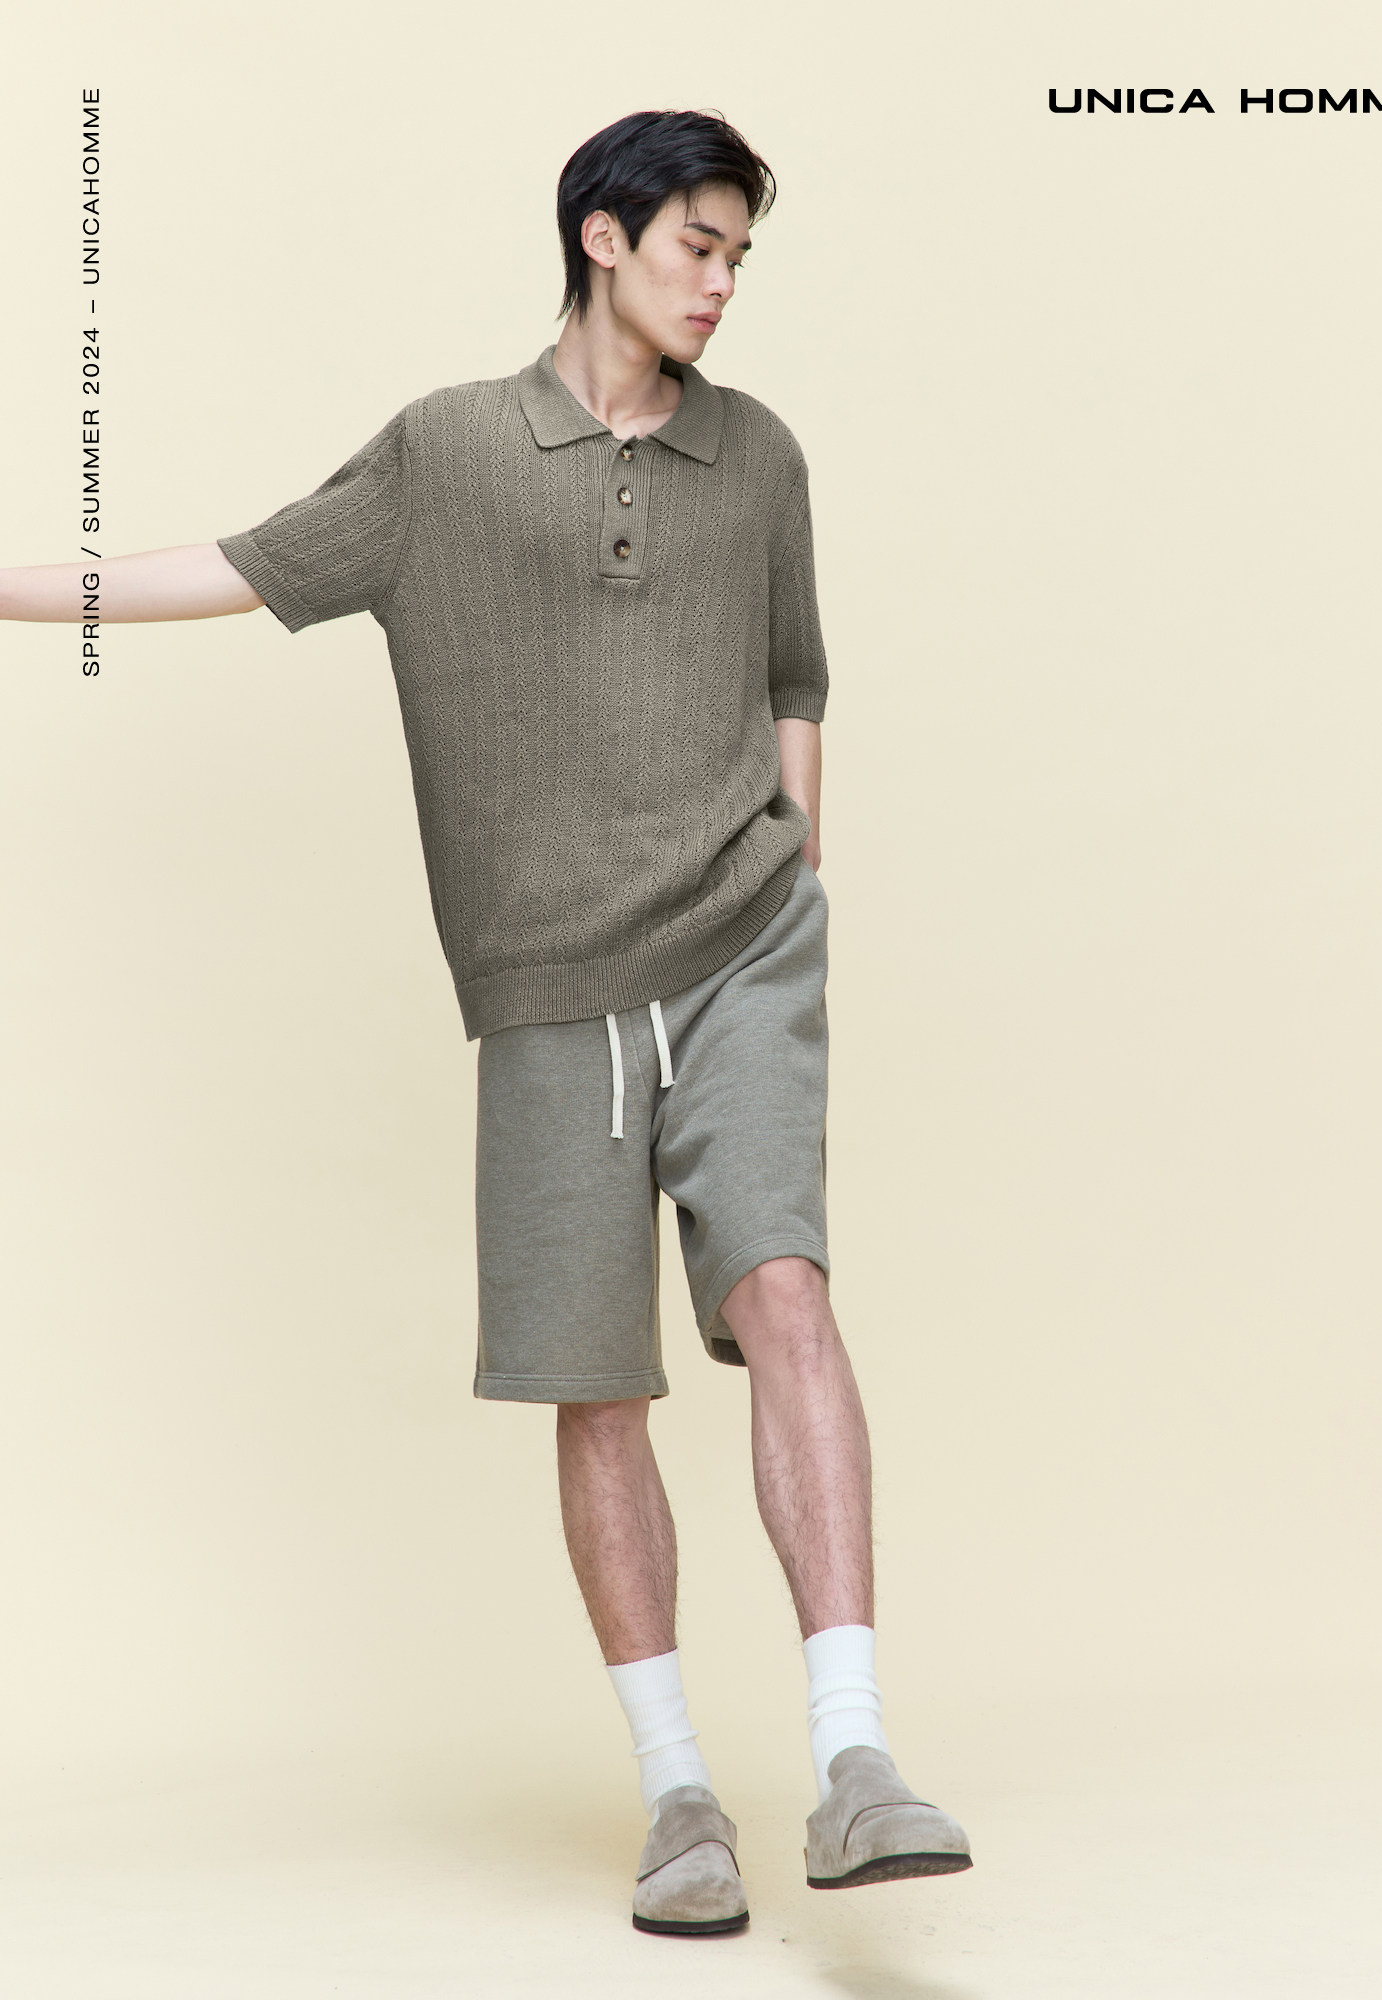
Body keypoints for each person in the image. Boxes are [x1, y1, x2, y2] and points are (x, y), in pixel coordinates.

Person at [2, 108, 971, 1937]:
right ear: (604, 237)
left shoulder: (760, 455)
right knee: (598, 1387)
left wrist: (800, 853)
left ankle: (858, 1760)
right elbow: (229, 565)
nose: (723, 283)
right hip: (543, 989)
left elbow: (796, 672)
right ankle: (679, 1798)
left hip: (746, 944)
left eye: (740, 255)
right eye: (697, 245)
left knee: (785, 1291)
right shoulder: (447, 452)